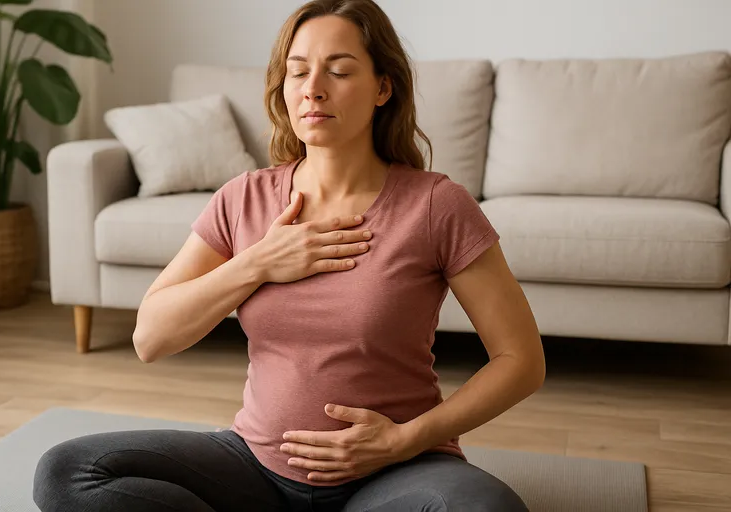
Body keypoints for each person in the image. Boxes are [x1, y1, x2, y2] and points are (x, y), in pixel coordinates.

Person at [33, 0, 545, 510]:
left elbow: (521, 360)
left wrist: (404, 440)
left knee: (485, 508)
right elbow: (150, 338)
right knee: (68, 473)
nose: (313, 87)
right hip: (254, 467)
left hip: (395, 471)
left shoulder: (435, 205)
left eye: (339, 71)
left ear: (383, 88)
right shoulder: (243, 198)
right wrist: (257, 262)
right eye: (297, 71)